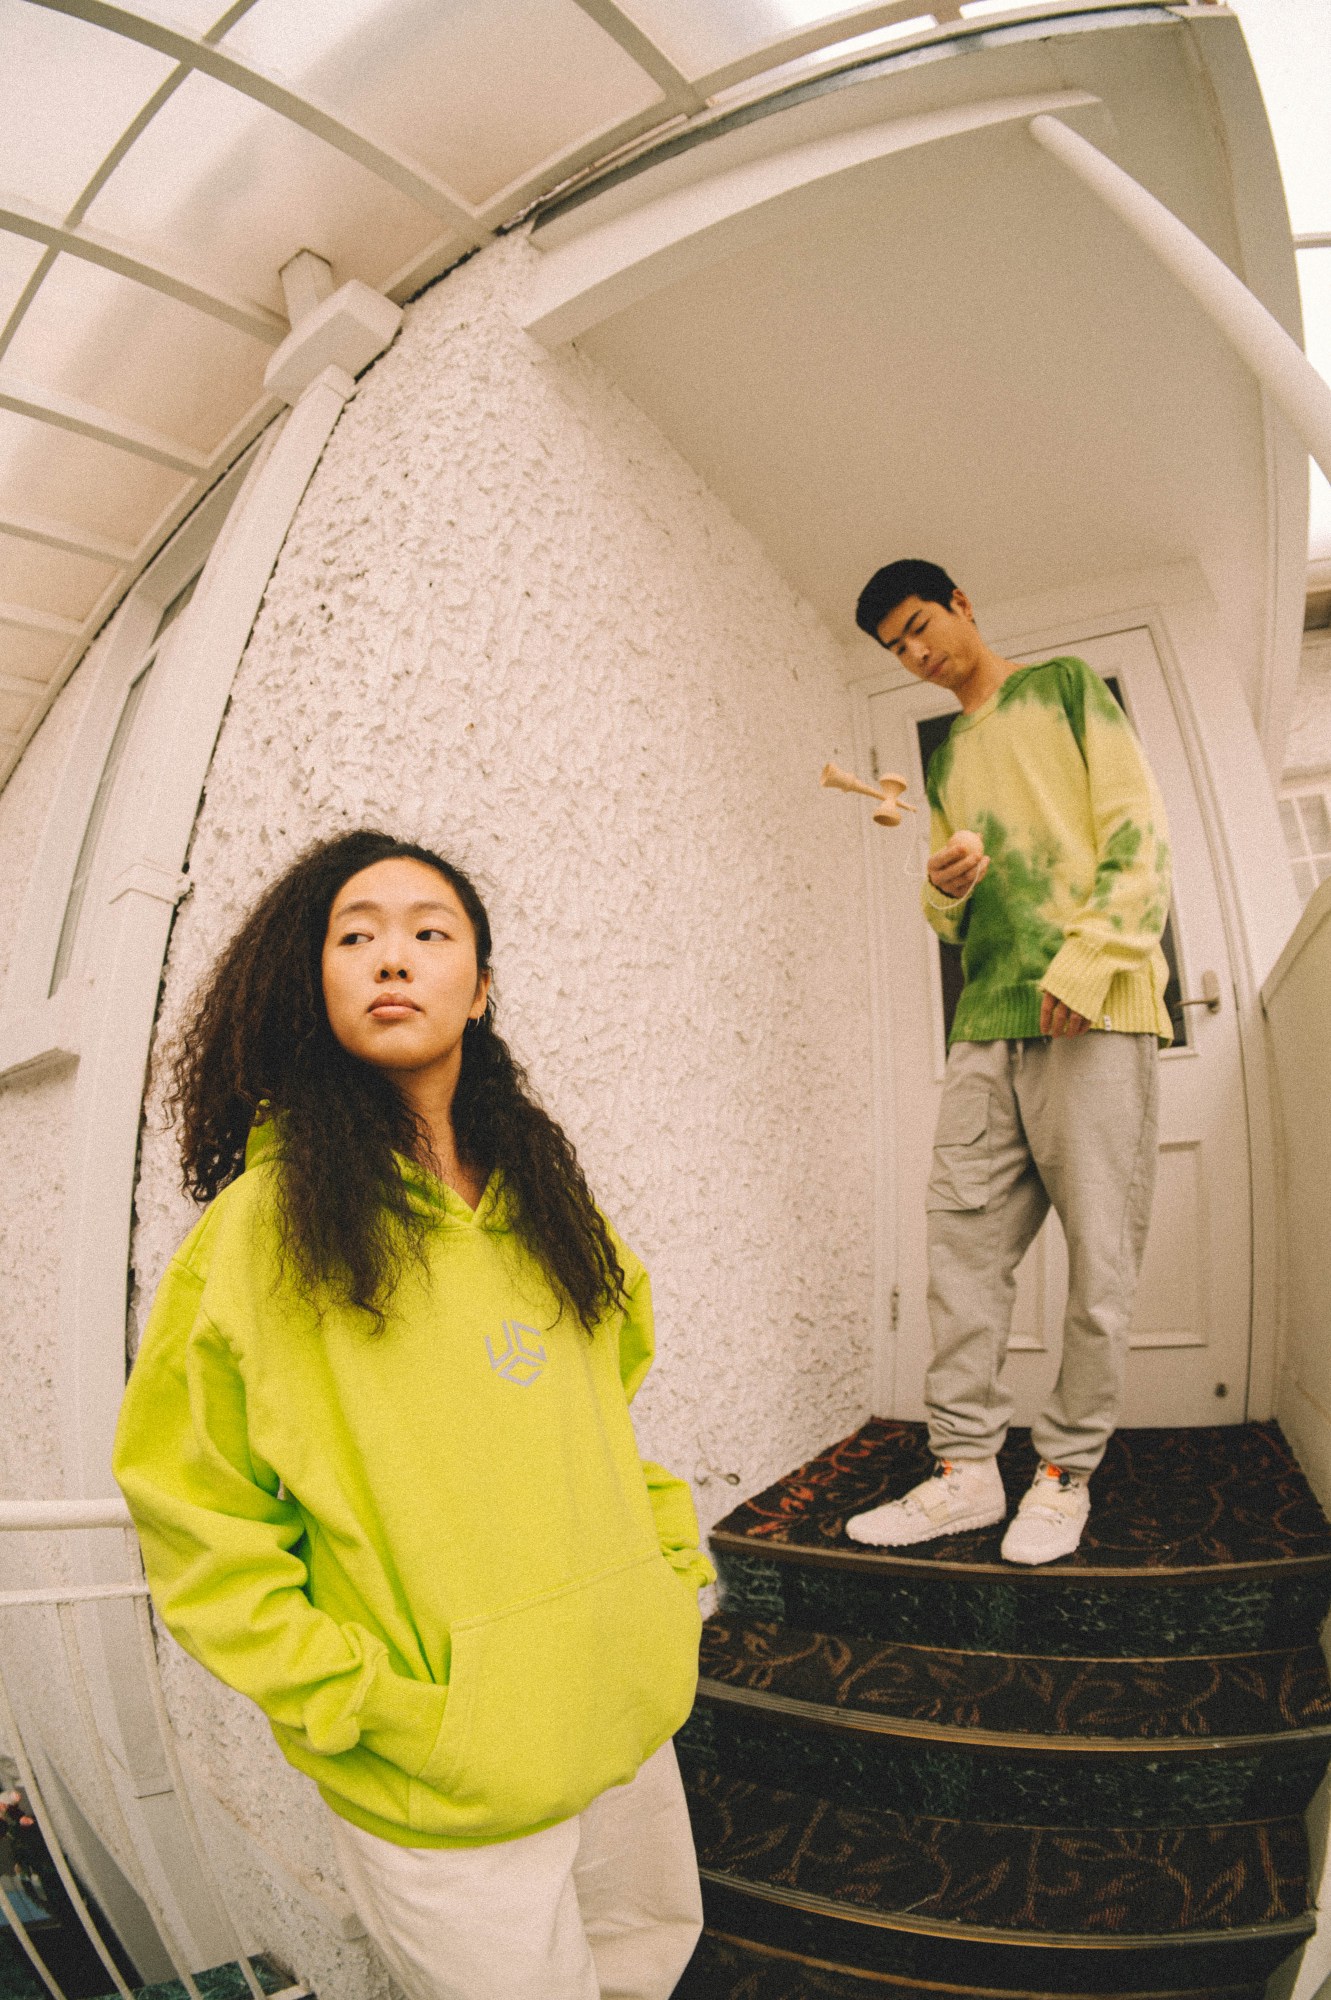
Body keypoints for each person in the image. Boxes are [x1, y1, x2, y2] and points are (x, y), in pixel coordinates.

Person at [113, 829, 711, 2000]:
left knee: (647, 1967)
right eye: (356, 934)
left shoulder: (549, 1203)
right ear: (312, 980)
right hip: (439, 1780)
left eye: (430, 932)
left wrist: (665, 1579)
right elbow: (197, 1526)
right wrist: (374, 1705)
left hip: (623, 1715)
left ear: (478, 989)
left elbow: (606, 1413)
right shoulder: (251, 1237)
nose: (394, 955)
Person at [845, 561, 1172, 1565]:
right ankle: (964, 1472)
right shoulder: (943, 760)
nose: (913, 653)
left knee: (1099, 1264)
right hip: (985, 1021)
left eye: (918, 626)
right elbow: (950, 907)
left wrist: (1085, 963)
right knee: (960, 1254)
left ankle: (1064, 1472)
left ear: (961, 603)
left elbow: (1139, 837)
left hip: (1096, 1010)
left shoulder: (1065, 687)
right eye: (894, 647)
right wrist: (940, 887)